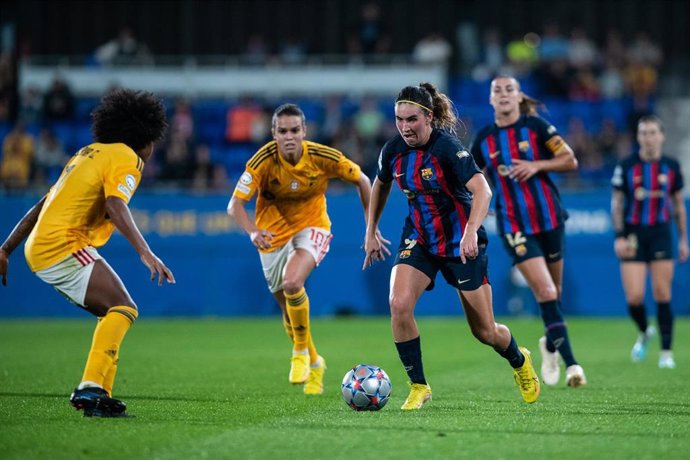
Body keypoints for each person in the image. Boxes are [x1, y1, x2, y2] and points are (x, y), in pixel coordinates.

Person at [363, 83, 540, 410]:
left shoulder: (448, 149)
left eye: (412, 119)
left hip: (461, 243)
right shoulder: (392, 151)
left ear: (428, 117)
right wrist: (371, 229)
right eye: (399, 119)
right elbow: (380, 184)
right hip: (419, 238)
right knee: (398, 304)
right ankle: (418, 386)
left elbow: (483, 191)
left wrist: (471, 231)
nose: (405, 126)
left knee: (485, 332)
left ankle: (519, 359)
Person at [0, 89, 175, 417]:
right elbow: (115, 203)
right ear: (144, 136)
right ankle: (91, 387)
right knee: (124, 307)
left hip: (40, 246)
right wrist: (146, 252)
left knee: (112, 312)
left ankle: (100, 396)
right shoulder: (128, 158)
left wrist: (6, 248)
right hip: (62, 244)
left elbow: (41, 204)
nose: (153, 149)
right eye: (153, 140)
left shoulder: (86, 153)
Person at [227, 103, 387, 395]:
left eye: (295, 130)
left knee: (292, 282)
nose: (289, 136)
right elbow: (234, 204)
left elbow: (363, 180)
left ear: (304, 132)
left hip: (313, 227)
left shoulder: (321, 156)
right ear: (273, 133)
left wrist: (370, 228)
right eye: (283, 131)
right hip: (271, 235)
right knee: (288, 313)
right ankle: (316, 363)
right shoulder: (262, 161)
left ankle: (300, 353)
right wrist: (252, 232)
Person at [470, 75, 587, 388]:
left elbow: (570, 159)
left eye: (510, 89)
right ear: (491, 99)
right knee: (546, 293)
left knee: (555, 294)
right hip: (514, 225)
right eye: (498, 90)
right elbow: (469, 178)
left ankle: (550, 345)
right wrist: (481, 200)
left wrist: (537, 166)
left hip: (550, 219)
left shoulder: (537, 128)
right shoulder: (484, 139)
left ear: (519, 96)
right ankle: (573, 365)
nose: (504, 94)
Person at [611, 115, 687, 369]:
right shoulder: (627, 165)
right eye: (644, 133)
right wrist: (619, 236)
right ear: (638, 137)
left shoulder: (672, 166)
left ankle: (666, 353)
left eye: (653, 132)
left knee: (662, 293)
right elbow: (617, 204)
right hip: (633, 234)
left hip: (661, 233)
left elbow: (678, 205)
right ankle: (645, 331)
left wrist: (684, 239)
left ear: (662, 136)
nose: (648, 137)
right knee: (634, 297)